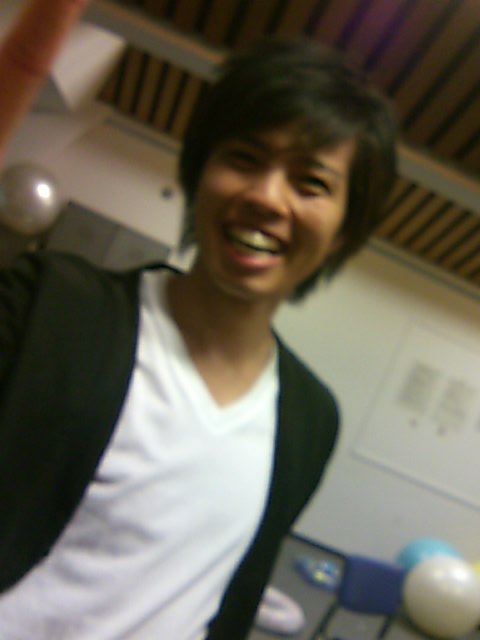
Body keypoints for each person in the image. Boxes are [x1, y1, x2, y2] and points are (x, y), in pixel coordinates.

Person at [0, 1, 397, 638]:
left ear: (343, 232)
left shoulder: (310, 418)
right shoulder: (54, 306)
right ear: (200, 171)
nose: (266, 197)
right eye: (244, 158)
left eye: (311, 182)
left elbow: (233, 594)